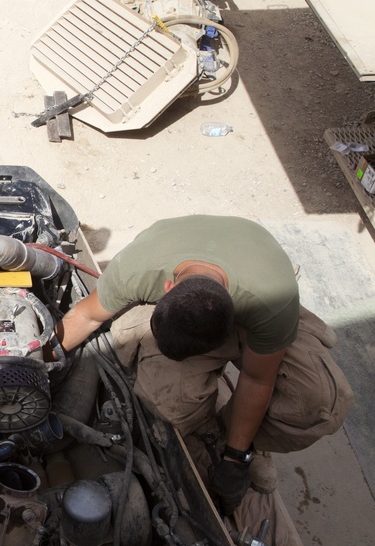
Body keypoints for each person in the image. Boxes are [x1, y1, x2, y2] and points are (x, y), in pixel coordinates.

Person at [54, 215, 353, 521]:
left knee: (320, 403)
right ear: (166, 289)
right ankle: (212, 434)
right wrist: (43, 360)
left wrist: (237, 457)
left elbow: (257, 378)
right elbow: (86, 317)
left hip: (260, 294)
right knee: (167, 407)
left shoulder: (270, 301)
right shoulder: (135, 270)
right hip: (197, 279)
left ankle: (243, 441)